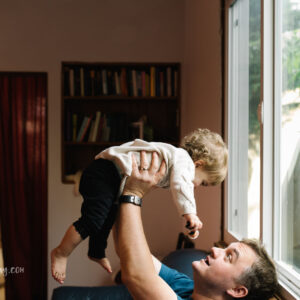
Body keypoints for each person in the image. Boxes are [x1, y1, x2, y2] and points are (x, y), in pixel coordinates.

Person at [51, 128, 228, 284]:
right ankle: (61, 252)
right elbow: (181, 186)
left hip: (111, 178)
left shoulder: (174, 157)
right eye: (203, 182)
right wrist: (190, 214)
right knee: (93, 219)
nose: (197, 186)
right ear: (198, 164)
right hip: (104, 173)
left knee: (108, 216)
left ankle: (96, 251)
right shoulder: (183, 160)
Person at [114, 151, 279, 300]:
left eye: (228, 257)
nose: (215, 250)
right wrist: (119, 192)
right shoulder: (189, 287)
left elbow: (136, 275)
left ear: (237, 290)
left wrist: (133, 194)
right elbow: (129, 255)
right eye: (225, 249)